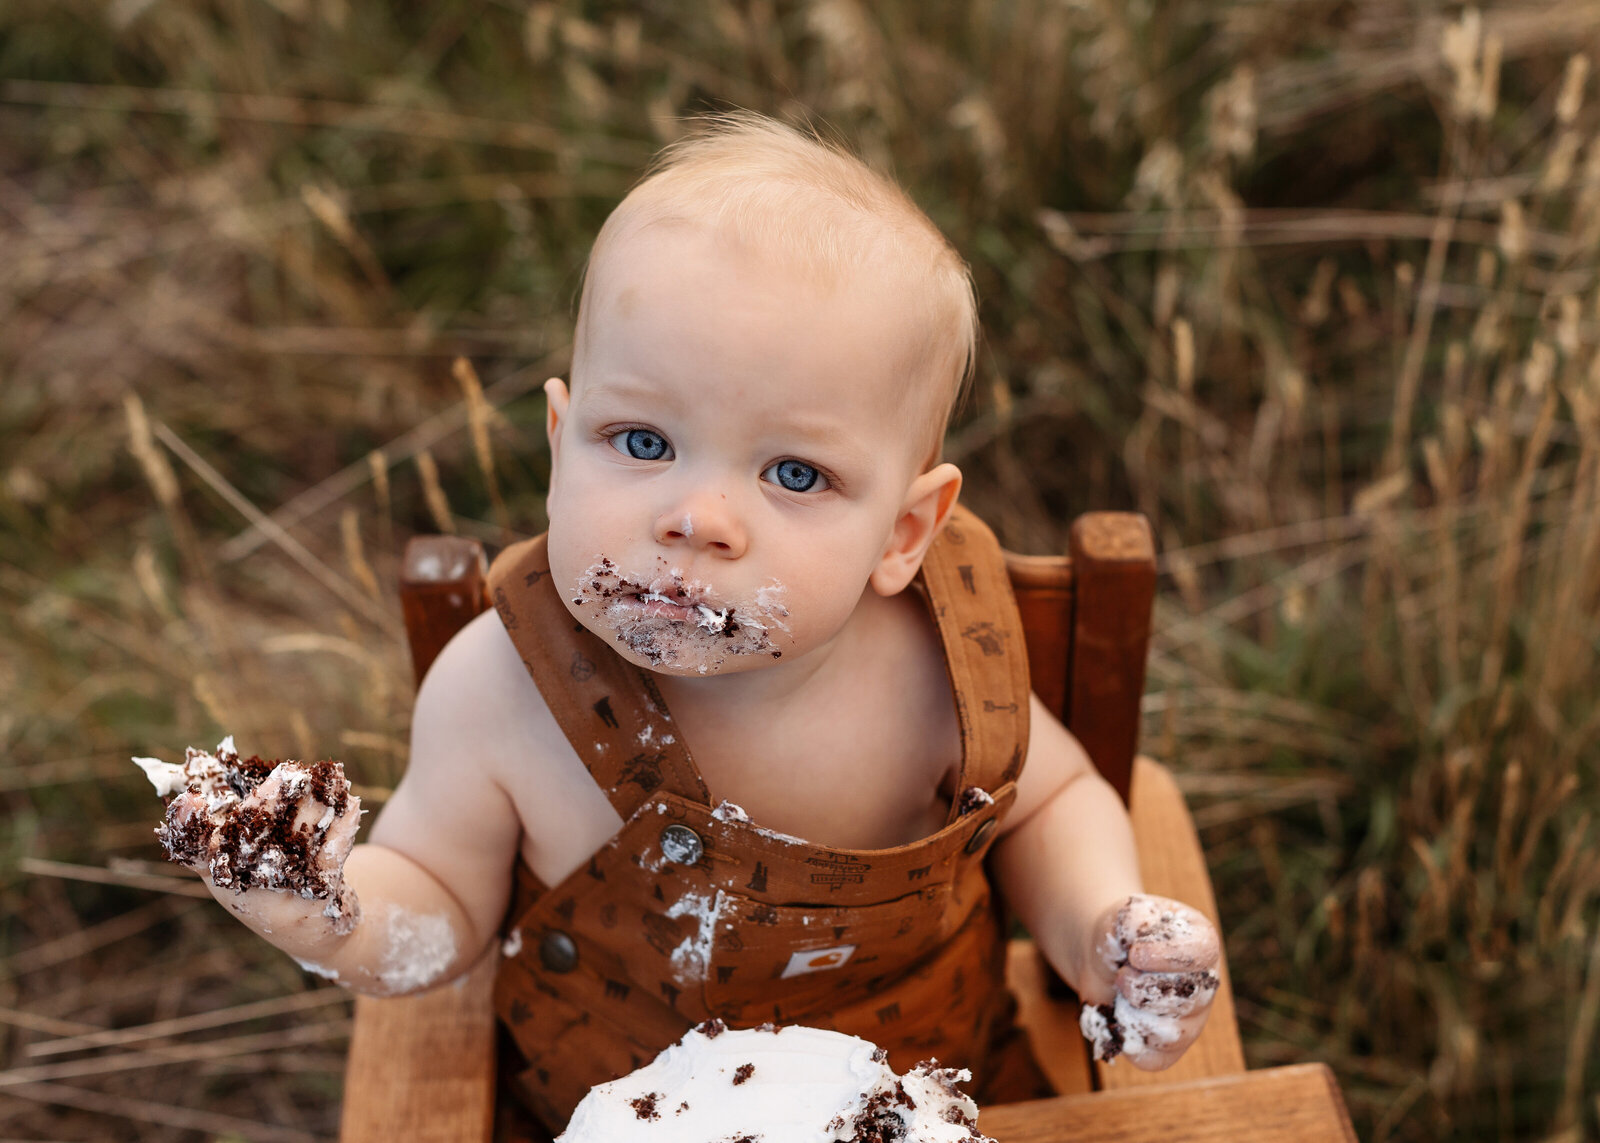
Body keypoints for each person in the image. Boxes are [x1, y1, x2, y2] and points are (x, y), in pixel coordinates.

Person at [153, 111, 1220, 1135]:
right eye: (643, 442)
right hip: (615, 1115)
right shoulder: (504, 691)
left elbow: (1048, 802)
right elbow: (434, 899)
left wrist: (1100, 929)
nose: (697, 518)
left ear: (902, 535)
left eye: (793, 472)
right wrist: (329, 911)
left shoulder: (943, 661)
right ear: (562, 441)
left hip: (932, 1103)